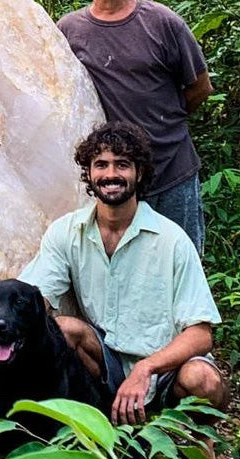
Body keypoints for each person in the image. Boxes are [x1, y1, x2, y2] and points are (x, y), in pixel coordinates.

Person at [19, 121, 227, 428]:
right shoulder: (67, 232)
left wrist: (147, 368)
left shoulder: (171, 240)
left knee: (203, 379)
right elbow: (32, 298)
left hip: (164, 368)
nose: (111, 174)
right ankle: (79, 431)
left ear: (138, 173)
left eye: (122, 165)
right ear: (89, 173)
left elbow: (201, 334)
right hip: (106, 363)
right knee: (60, 330)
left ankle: (203, 447)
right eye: (101, 165)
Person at [58, 0, 213, 253]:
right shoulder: (69, 31)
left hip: (172, 170)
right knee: (125, 273)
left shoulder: (162, 22)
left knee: (181, 267)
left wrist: (166, 125)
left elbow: (200, 86)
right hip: (113, 178)